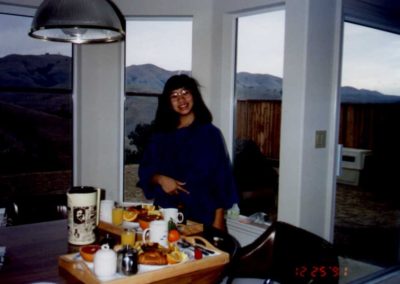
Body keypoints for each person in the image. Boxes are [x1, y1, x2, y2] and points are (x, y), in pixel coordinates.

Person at [138, 74, 239, 231]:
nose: (181, 100)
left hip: (203, 215)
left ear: (194, 96)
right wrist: (160, 179)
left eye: (185, 92)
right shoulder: (159, 136)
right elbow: (145, 171)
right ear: (168, 102)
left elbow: (221, 179)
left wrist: (218, 219)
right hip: (166, 214)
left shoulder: (210, 134)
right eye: (174, 95)